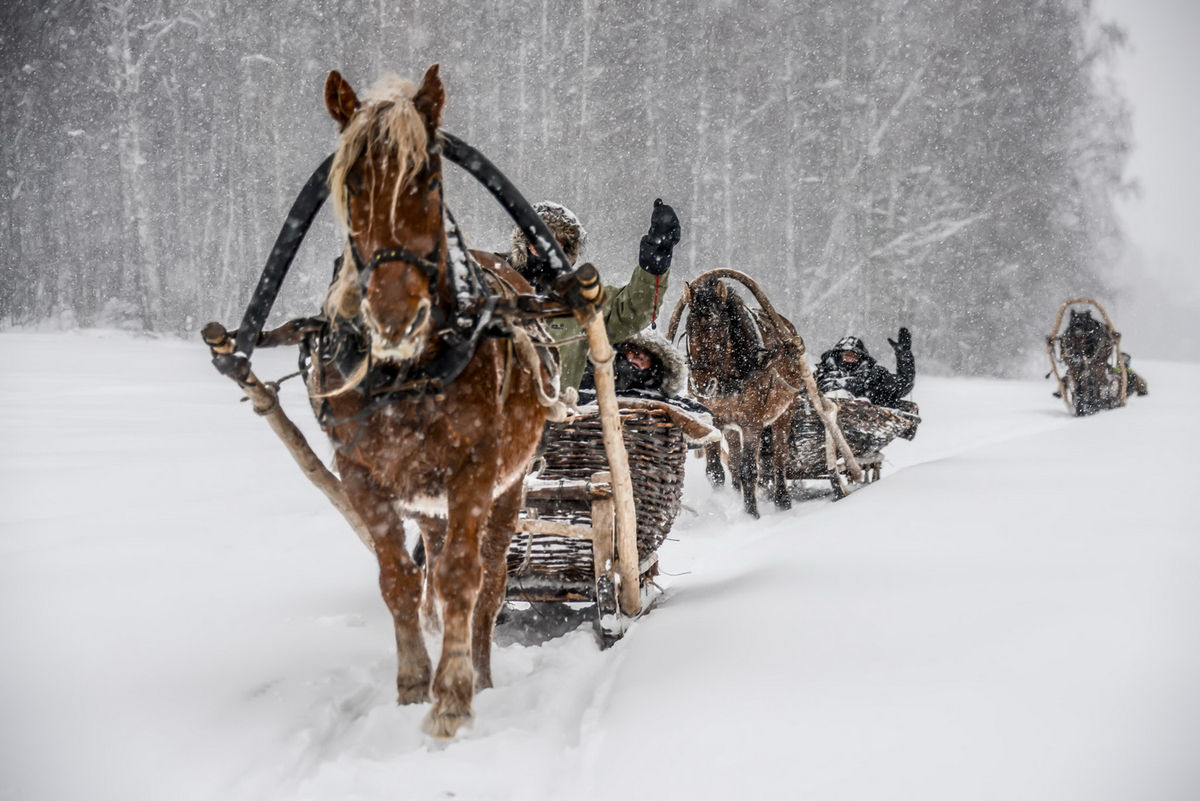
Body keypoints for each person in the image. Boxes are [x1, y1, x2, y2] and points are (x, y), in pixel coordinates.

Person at [508, 199, 680, 391]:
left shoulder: (580, 300)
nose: (546, 252)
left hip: (556, 415)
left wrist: (655, 259)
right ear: (524, 242)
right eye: (539, 242)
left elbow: (633, 309)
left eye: (555, 245)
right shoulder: (489, 280)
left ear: (565, 251)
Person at [815, 329, 915, 408]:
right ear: (837, 356)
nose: (849, 358)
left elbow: (904, 384)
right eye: (846, 354)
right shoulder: (821, 374)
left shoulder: (875, 376)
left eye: (854, 355)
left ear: (862, 358)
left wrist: (904, 354)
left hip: (863, 429)